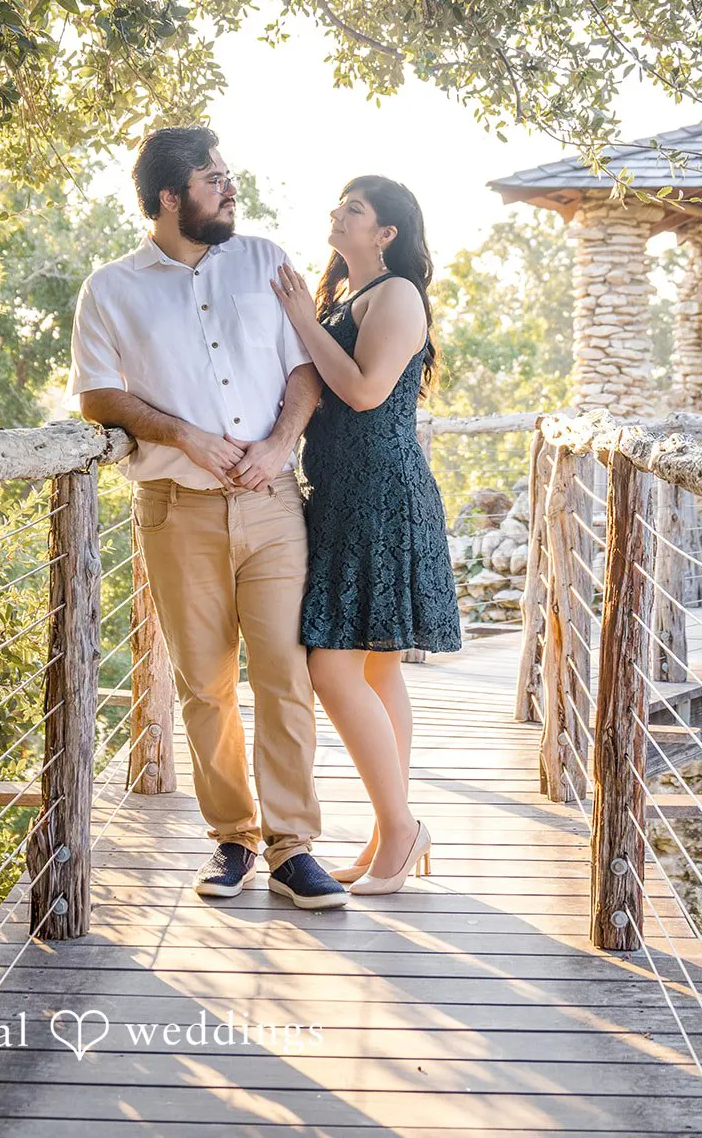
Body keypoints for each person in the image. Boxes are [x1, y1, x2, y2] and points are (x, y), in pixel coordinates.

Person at [65, 127, 349, 910]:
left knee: (284, 674)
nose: (229, 188)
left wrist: (279, 444)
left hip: (271, 504)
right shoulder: (110, 289)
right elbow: (97, 394)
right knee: (205, 685)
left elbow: (304, 369)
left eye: (226, 175)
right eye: (212, 178)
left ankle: (293, 848)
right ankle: (233, 838)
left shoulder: (263, 260)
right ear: (169, 197)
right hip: (174, 510)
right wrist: (186, 436)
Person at [271, 175, 461, 897]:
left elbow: (363, 390)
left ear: (385, 233)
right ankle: (390, 833)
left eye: (354, 208)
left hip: (379, 497)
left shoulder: (397, 294)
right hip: (343, 495)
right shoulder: (346, 298)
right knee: (378, 671)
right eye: (340, 204)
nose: (338, 213)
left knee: (332, 670)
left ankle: (401, 827)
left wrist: (301, 318)